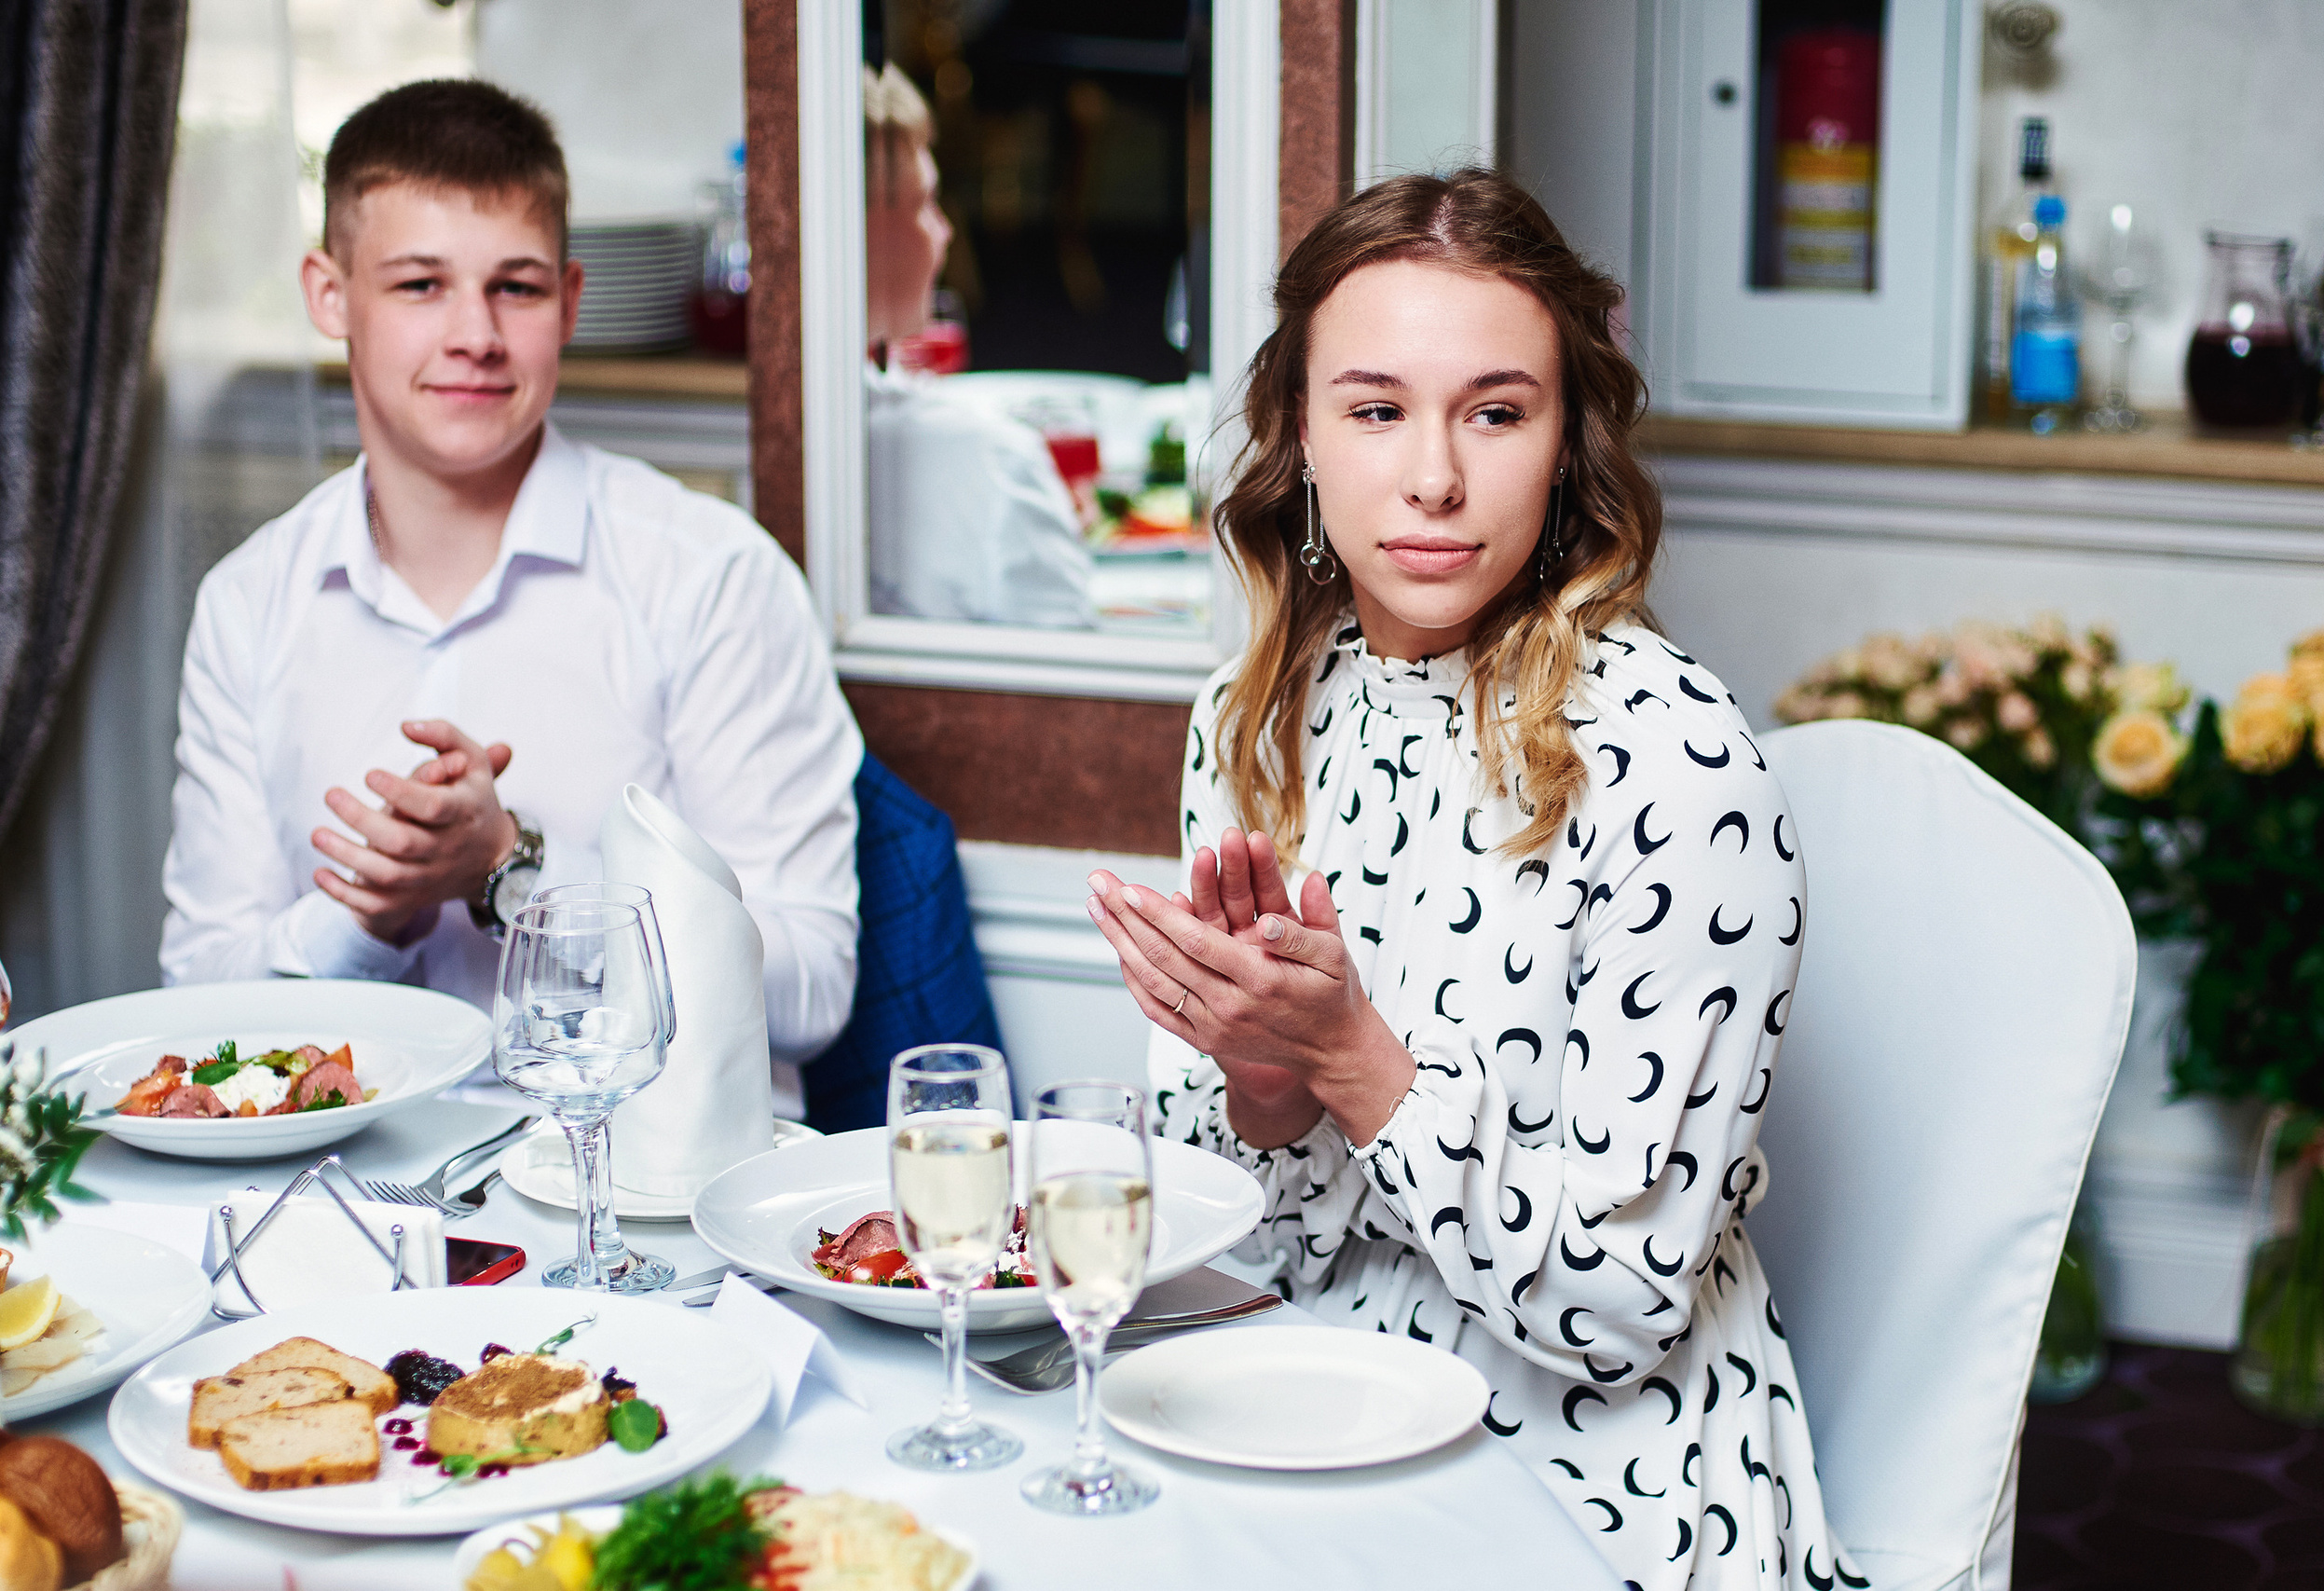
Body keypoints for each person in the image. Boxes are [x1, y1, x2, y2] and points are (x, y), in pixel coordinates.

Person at [1085, 171, 1854, 1587]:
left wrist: (1358, 1063)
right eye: (1376, 410)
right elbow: (1247, 1240)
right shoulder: (1250, 718)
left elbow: (1617, 1313)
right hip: (1303, 1397)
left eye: (1495, 413)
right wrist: (1265, 1082)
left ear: (1564, 445)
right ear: (1301, 435)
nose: (1433, 476)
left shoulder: (1677, 766)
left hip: (1592, 1479)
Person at [159, 80, 863, 1112]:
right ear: (329, 294)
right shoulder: (248, 603)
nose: (475, 335)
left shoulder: (713, 576)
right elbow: (198, 1004)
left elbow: (810, 989)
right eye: (420, 285)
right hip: (341, 1190)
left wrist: (513, 867)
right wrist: (371, 916)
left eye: (516, 288)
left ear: (569, 302)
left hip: (638, 1187)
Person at [862, 63, 1096, 630]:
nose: (944, 232)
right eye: (925, 203)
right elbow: (1071, 657)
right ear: (856, 226)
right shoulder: (994, 464)